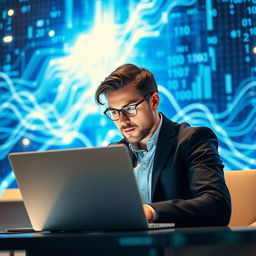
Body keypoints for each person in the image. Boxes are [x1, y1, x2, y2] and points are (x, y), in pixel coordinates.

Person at [94, 63, 231, 227]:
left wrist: (150, 211)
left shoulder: (192, 140)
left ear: (154, 101)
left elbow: (217, 206)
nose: (122, 121)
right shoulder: (115, 153)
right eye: (114, 112)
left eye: (130, 108)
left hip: (179, 248)